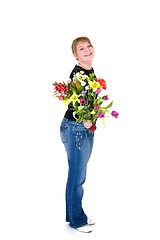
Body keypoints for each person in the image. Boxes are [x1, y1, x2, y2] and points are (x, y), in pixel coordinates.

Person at [60, 37, 96, 233]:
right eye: (81, 48)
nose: (87, 50)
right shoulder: (78, 73)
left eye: (89, 46)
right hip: (75, 128)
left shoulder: (89, 71)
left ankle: (75, 213)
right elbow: (74, 101)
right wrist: (85, 117)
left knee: (78, 174)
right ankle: (75, 220)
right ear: (75, 55)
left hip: (84, 129)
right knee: (77, 176)